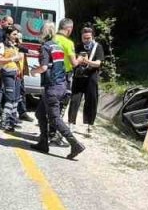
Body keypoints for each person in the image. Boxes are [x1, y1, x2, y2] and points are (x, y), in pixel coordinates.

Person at [30, 21, 85, 159]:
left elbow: (43, 68)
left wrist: (33, 71)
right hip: (61, 85)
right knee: (40, 113)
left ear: (43, 33)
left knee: (54, 119)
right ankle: (43, 143)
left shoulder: (46, 47)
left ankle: (75, 144)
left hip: (52, 88)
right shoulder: (57, 46)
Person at [68, 26, 105, 134]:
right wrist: (78, 61)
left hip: (91, 77)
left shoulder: (98, 47)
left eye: (88, 38)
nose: (86, 40)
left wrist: (87, 61)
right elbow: (73, 61)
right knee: (75, 100)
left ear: (93, 37)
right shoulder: (78, 46)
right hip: (79, 76)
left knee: (91, 100)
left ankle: (89, 125)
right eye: (84, 38)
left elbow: (98, 63)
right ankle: (71, 123)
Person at [49, 18, 78, 146]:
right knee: (61, 107)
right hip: (65, 77)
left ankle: (49, 133)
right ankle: (57, 136)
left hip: (51, 75)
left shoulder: (52, 39)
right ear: (69, 29)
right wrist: (81, 58)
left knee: (51, 106)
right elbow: (74, 63)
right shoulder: (68, 43)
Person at [0, 27, 27, 131]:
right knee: (10, 99)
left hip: (17, 75)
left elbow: (25, 51)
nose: (16, 36)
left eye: (17, 34)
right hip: (8, 73)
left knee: (16, 99)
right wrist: (13, 58)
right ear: (8, 35)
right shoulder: (2, 45)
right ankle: (4, 121)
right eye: (14, 34)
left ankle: (12, 121)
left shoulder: (16, 45)